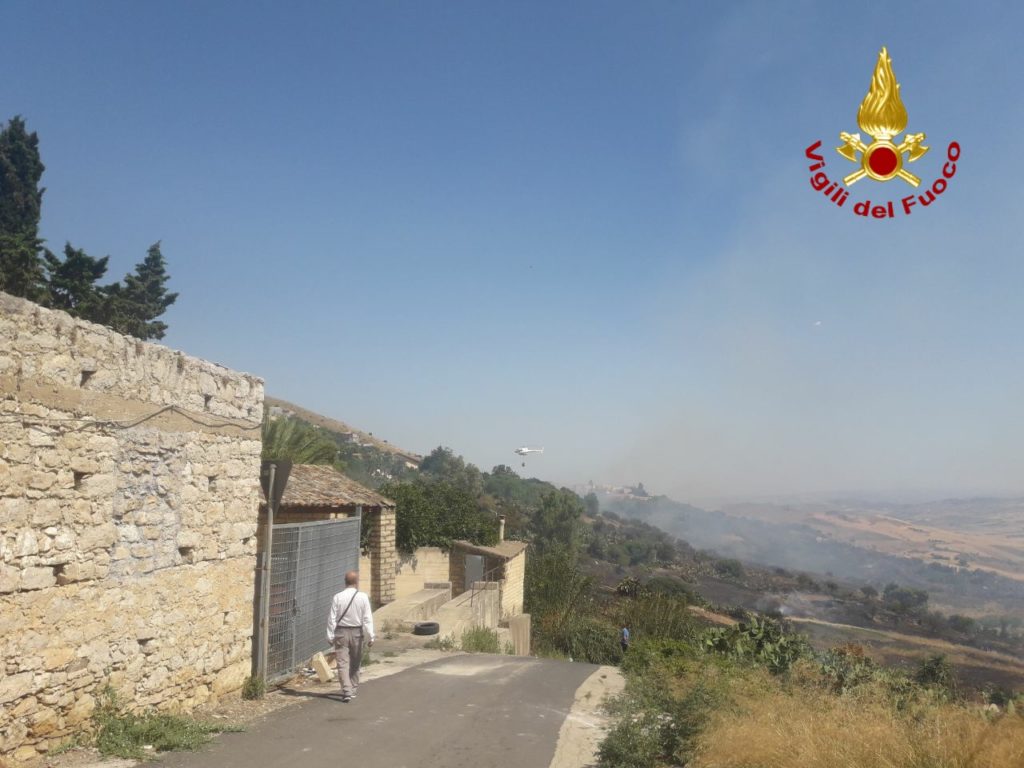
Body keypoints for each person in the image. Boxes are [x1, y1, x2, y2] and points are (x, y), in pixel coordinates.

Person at [326, 570, 375, 702]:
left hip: (341, 632)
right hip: (357, 633)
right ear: (356, 582)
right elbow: (367, 618)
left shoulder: (337, 597)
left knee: (342, 663)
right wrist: (371, 636)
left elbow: (332, 618)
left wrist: (330, 636)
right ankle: (353, 687)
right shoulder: (363, 597)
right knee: (355, 661)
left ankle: (346, 690)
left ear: (345, 582)